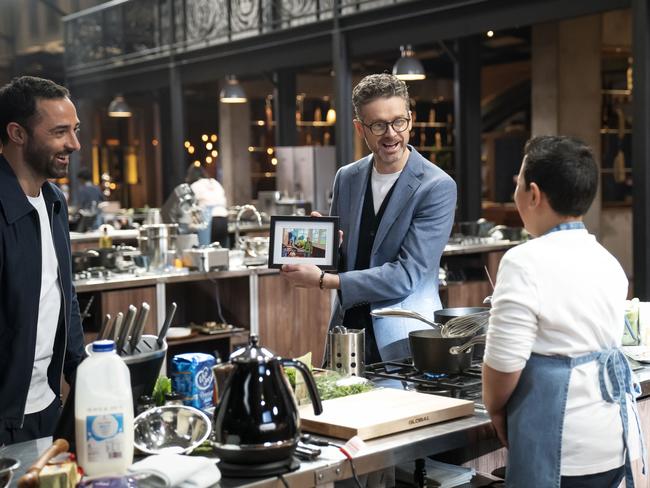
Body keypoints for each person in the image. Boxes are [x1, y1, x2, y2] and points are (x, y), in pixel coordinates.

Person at [482, 136, 644, 487]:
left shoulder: (523, 262)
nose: (516, 192)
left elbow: (503, 366)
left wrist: (495, 408)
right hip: (611, 439)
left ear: (534, 194)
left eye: (518, 183)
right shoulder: (608, 261)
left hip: (559, 449)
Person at [281, 73, 457, 363]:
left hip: (403, 336)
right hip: (346, 332)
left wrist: (324, 281)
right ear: (360, 129)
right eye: (378, 125)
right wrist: (317, 249)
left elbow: (406, 276)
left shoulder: (436, 186)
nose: (391, 133)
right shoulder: (347, 177)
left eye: (398, 121)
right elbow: (344, 261)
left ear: (410, 120)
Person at [0, 76, 86, 444]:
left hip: (48, 407)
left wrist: (83, 374)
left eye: (75, 130)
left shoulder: (53, 201)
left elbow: (63, 297)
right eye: (60, 132)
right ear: (18, 134)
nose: (74, 143)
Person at [185, 163, 229, 247]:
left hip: (209, 221)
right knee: (221, 251)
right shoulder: (215, 182)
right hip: (223, 219)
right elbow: (223, 201)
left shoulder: (195, 186)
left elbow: (190, 208)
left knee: (207, 250)